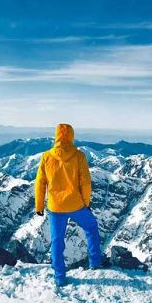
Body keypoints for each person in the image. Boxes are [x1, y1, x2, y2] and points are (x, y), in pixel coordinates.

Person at [34, 123, 104, 287]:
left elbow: (39, 183)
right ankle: (95, 261)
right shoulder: (79, 155)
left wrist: (39, 206)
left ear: (56, 136)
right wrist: (86, 203)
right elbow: (85, 182)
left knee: (57, 240)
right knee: (91, 228)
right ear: (71, 136)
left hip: (55, 207)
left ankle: (59, 276)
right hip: (76, 204)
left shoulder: (46, 156)